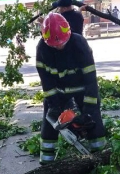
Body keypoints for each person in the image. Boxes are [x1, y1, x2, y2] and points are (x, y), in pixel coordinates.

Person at [36, 12, 107, 164]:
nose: (59, 46)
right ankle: (46, 162)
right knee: (49, 123)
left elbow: (91, 80)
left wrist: (87, 111)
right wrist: (54, 105)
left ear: (67, 33)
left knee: (93, 121)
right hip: (58, 92)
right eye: (54, 45)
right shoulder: (42, 48)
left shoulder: (79, 44)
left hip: (82, 90)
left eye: (61, 43)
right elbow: (46, 82)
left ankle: (101, 159)